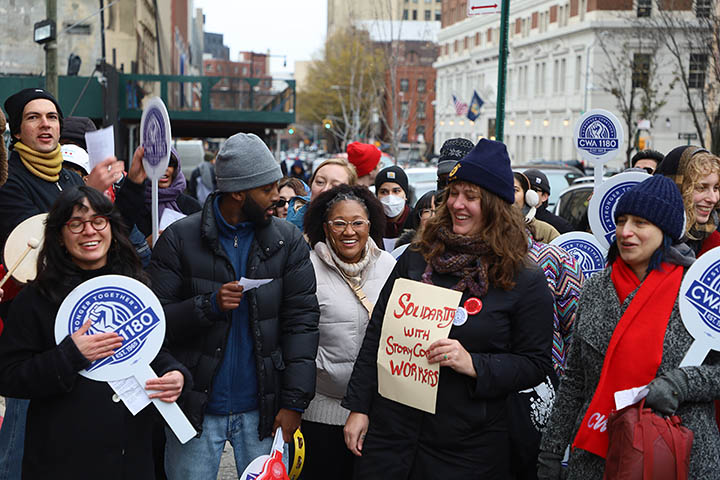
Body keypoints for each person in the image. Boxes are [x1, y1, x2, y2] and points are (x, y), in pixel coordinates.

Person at [342, 139, 554, 479]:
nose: (457, 204)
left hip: (468, 446)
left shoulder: (523, 277)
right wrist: (359, 407)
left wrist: (475, 364)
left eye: (471, 197)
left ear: (495, 206)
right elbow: (378, 332)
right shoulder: (418, 256)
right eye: (454, 193)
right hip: (392, 435)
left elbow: (535, 363)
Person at [148, 132, 320, 479]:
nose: (277, 197)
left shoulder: (288, 241)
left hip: (264, 412)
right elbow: (153, 323)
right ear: (239, 192)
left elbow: (302, 324)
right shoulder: (179, 238)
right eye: (267, 189)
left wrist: (294, 403)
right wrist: (208, 305)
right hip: (195, 409)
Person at [0, 87, 147, 480]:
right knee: (24, 439)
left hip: (87, 316)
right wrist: (93, 194)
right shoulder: (9, 181)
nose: (45, 124)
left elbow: (112, 228)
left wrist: (133, 185)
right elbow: (34, 247)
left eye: (52, 116)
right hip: (39, 326)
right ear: (17, 129)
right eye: (33, 117)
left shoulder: (67, 176)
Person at [0, 185, 190, 479]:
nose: (89, 231)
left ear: (111, 228)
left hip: (130, 458)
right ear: (59, 236)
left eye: (98, 221)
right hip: (62, 462)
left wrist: (175, 374)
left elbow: (154, 350)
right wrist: (69, 355)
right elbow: (9, 376)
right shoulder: (36, 298)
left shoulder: (136, 287)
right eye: (76, 223)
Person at [538, 175, 720, 479]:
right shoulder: (596, 288)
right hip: (597, 456)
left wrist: (681, 383)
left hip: (679, 456)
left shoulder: (694, 290)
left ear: (665, 231)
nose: (625, 232)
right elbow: (575, 380)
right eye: (621, 221)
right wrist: (551, 451)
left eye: (640, 223)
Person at [299, 184, 395, 479]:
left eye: (357, 223)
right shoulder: (306, 270)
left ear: (370, 225)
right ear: (325, 227)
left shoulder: (389, 266)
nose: (349, 231)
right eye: (339, 223)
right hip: (320, 414)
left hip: (378, 414)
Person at [508, 220, 584, 480]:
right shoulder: (468, 261)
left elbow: (575, 330)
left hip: (542, 387)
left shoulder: (554, 258)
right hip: (486, 390)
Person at [656, 145, 720, 256]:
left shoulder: (715, 244)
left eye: (716, 188)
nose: (713, 199)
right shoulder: (645, 240)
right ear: (676, 188)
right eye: (701, 188)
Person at [137, 147, 201, 243]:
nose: (164, 169)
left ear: (176, 169)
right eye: (157, 163)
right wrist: (146, 244)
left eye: (169, 164)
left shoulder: (192, 207)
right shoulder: (135, 205)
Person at [287, 157, 358, 230]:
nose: (325, 190)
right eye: (320, 182)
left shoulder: (358, 231)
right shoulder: (289, 227)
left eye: (335, 186)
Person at [513, 172, 560, 243]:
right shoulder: (494, 228)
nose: (509, 195)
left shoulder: (547, 232)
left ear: (527, 196)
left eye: (515, 190)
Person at [523, 168, 574, 234]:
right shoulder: (512, 220)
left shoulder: (560, 226)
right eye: (524, 188)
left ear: (544, 196)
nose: (528, 193)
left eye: (534, 190)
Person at [374, 165, 412, 250]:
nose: (390, 197)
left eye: (396, 191)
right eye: (384, 192)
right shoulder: (371, 223)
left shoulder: (416, 221)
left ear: (405, 195)